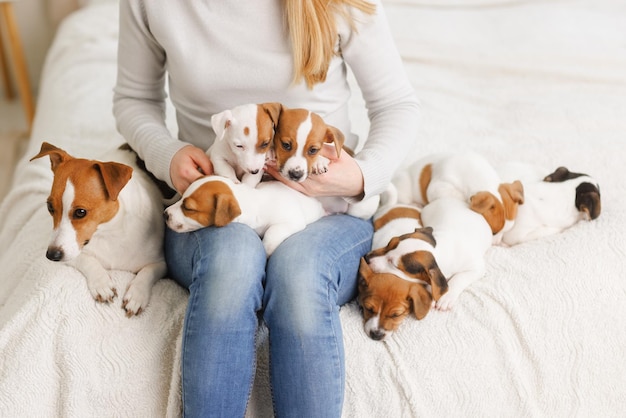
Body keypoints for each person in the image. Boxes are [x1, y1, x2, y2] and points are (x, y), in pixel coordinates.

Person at [113, 0, 420, 416]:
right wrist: (167, 154)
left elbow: (396, 104)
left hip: (325, 209)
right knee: (233, 260)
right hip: (215, 202)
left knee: (298, 272)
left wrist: (362, 177)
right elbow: (133, 99)